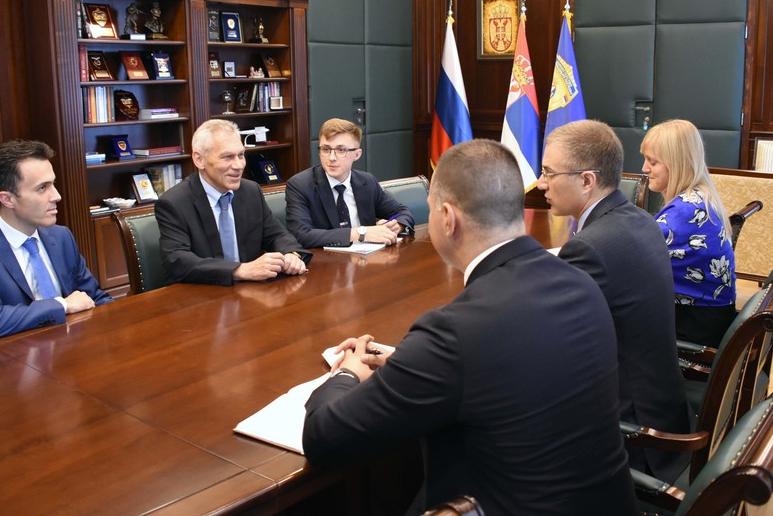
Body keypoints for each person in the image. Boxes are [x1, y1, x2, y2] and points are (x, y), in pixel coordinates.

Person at [303, 139, 636, 514]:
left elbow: (323, 438)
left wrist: (347, 373)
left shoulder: (452, 332)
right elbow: (515, 363)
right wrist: (409, 364)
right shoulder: (580, 283)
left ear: (447, 218)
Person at [539, 119, 691, 482]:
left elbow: (549, 341)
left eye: (548, 173)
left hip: (634, 435)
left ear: (586, 181)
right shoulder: (640, 219)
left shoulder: (589, 247)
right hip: (665, 407)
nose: (541, 183)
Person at [0, 140, 111, 343]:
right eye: (42, 188)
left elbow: (95, 297)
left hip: (72, 348)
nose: (57, 196)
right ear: (7, 199)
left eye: (53, 184)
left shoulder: (61, 237)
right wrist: (62, 305)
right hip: (13, 357)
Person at [156, 119, 310, 286]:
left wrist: (291, 254)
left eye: (241, 155)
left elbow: (276, 235)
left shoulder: (251, 191)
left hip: (248, 291)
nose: (239, 165)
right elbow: (177, 260)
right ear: (199, 160)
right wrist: (240, 270)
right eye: (227, 157)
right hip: (199, 293)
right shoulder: (174, 203)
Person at [641, 119, 737, 348]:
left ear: (677, 164)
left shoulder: (686, 211)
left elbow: (633, 256)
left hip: (696, 329)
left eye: (652, 162)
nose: (644, 168)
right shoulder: (699, 198)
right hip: (709, 317)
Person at [285, 118, 414, 248]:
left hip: (369, 257)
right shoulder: (300, 185)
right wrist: (361, 233)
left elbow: (402, 212)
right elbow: (301, 235)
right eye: (326, 149)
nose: (331, 158)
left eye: (341, 150)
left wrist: (396, 226)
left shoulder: (367, 181)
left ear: (357, 155)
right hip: (326, 258)